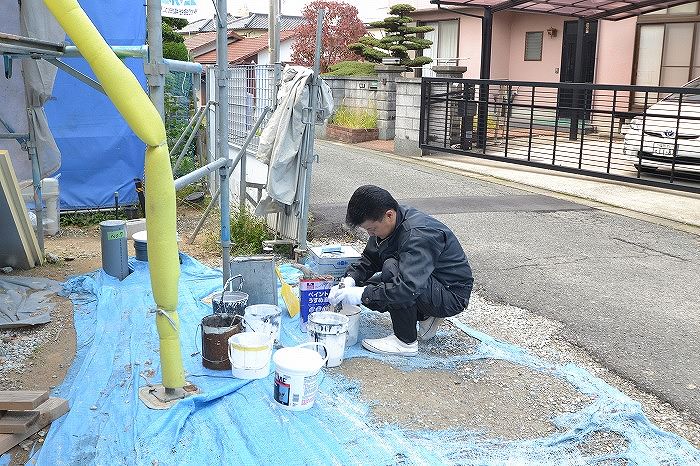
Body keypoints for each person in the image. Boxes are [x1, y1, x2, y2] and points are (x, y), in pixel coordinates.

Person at [328, 185, 473, 356]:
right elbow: (369, 258)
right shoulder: (390, 221)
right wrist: (350, 280)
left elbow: (408, 286)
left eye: (372, 229)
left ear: (389, 215)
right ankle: (426, 315)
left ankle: (405, 342)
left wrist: (360, 294)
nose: (370, 235)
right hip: (429, 282)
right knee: (370, 286)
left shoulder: (418, 234)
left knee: (390, 271)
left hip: (451, 294)